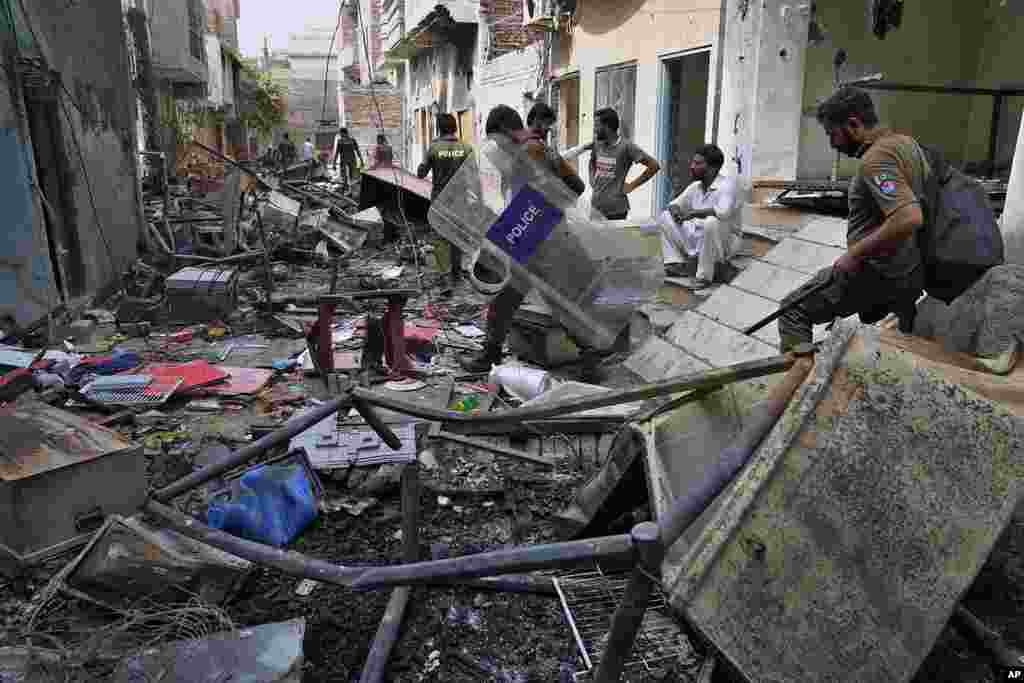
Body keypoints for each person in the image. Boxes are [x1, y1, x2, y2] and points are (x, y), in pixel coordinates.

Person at [777, 86, 929, 352]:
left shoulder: (876, 160)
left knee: (792, 311)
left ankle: (801, 386)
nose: (833, 143)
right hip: (907, 270)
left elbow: (908, 216)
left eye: (832, 134)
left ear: (854, 124)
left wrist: (854, 254)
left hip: (876, 272)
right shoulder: (908, 145)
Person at [460, 105, 599, 375]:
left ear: (503, 129)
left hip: (529, 230)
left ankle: (490, 355)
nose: (495, 146)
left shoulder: (524, 151)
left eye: (495, 139)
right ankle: (589, 352)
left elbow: (531, 191)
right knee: (542, 297)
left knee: (510, 296)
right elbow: (578, 187)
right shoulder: (544, 148)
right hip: (547, 227)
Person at [657, 144, 740, 289]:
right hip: (699, 238)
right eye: (693, 162)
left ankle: (704, 277)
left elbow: (723, 212)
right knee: (665, 216)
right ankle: (675, 263)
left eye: (697, 163)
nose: (692, 166)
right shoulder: (695, 187)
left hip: (723, 242)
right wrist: (677, 212)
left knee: (711, 222)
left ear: (712, 168)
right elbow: (673, 204)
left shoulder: (727, 185)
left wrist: (694, 213)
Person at [417, 114, 475, 286]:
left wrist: (425, 160)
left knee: (441, 237)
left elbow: (421, 174)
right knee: (456, 236)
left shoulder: (434, 148)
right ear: (455, 127)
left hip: (439, 200)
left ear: (438, 128)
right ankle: (456, 274)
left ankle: (443, 275)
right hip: (460, 200)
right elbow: (474, 177)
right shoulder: (466, 148)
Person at [589, 108, 660, 220]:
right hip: (595, 208)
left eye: (597, 126)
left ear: (607, 127)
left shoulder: (627, 147)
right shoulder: (598, 144)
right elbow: (592, 161)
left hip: (616, 210)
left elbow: (654, 166)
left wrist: (632, 185)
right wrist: (591, 177)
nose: (594, 130)